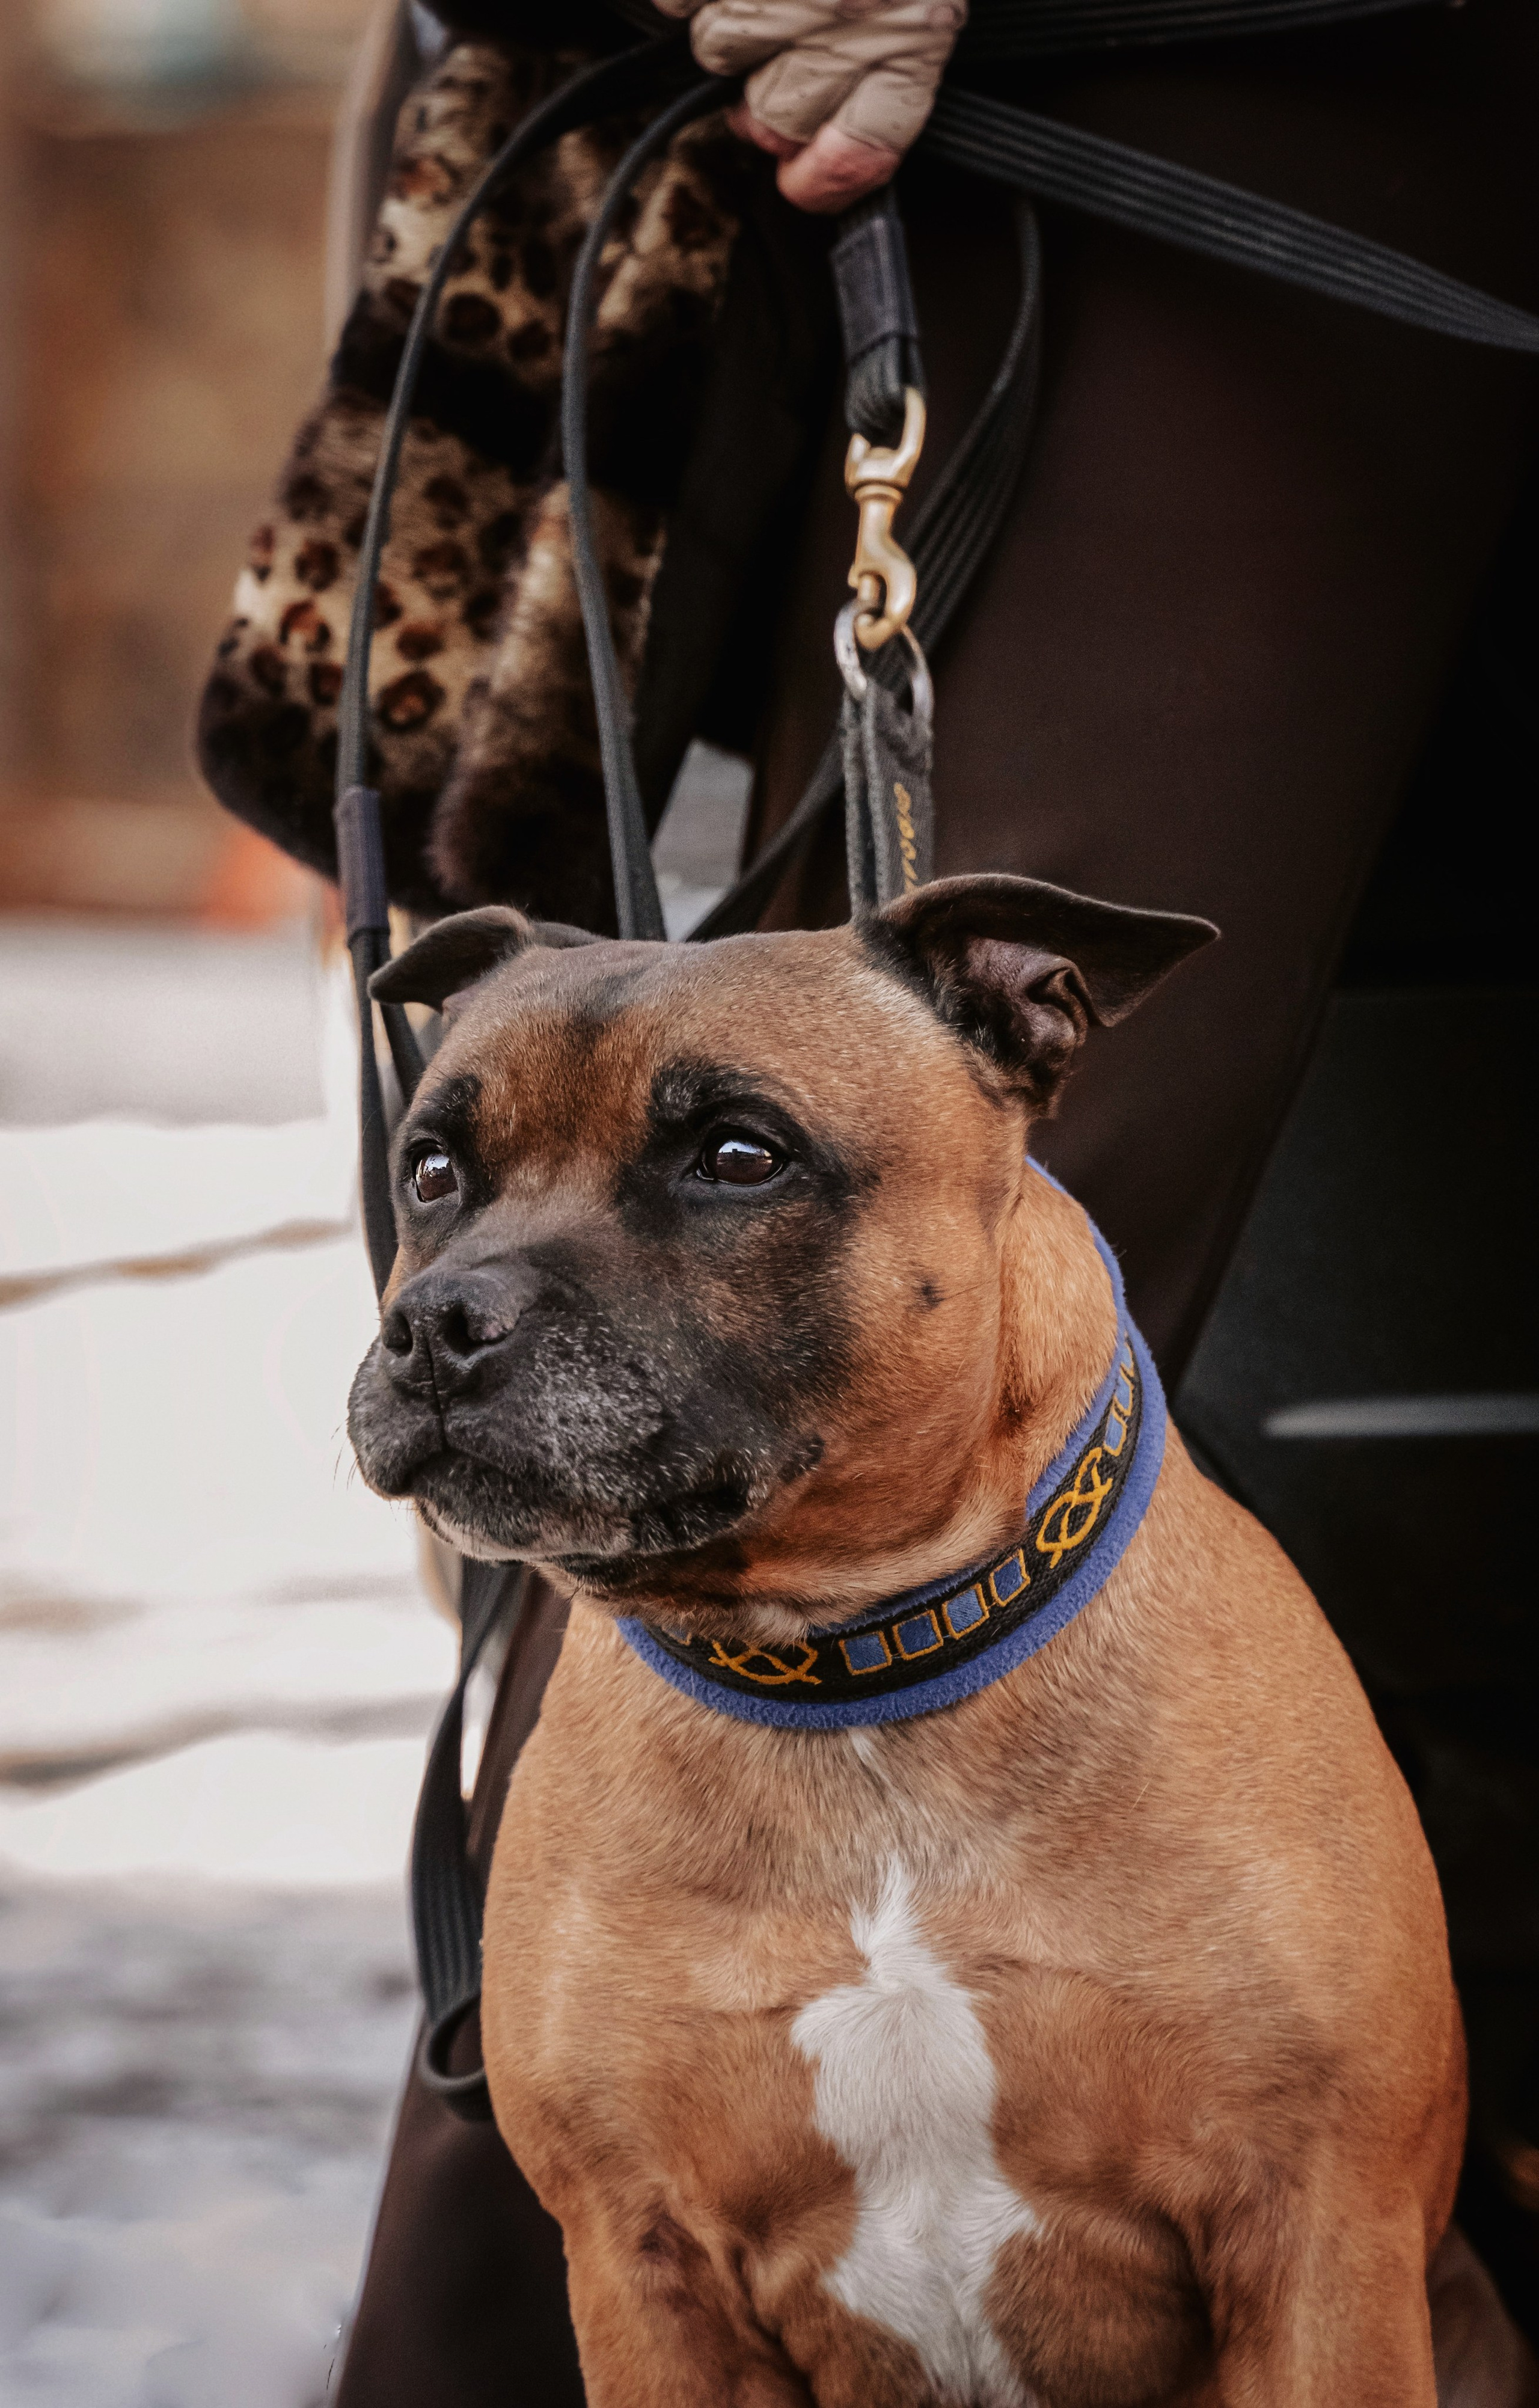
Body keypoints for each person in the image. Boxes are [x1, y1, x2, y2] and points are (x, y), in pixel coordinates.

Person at [319, 1, 1539, 2393]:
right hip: (693, 187)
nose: (455, 1287)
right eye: (439, 1189)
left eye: (729, 1174)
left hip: (1214, 112)